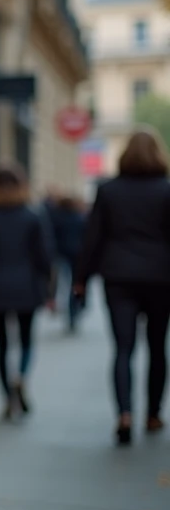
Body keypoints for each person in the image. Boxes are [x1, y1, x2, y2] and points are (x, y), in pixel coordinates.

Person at [74, 128, 170, 446]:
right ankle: (153, 413)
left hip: (119, 277)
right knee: (157, 347)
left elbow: (93, 239)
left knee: (123, 349)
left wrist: (81, 278)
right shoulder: (166, 190)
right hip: (160, 277)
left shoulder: (109, 190)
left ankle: (124, 414)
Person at [0, 165, 53, 420]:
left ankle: (8, 396)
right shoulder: (32, 215)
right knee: (27, 339)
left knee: (1, 344)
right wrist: (50, 288)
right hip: (27, 286)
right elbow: (45, 255)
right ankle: (21, 375)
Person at [50, 192, 88, 332]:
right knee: (75, 284)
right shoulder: (80, 218)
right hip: (77, 255)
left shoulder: (56, 219)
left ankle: (69, 308)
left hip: (62, 254)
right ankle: (77, 306)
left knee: (63, 283)